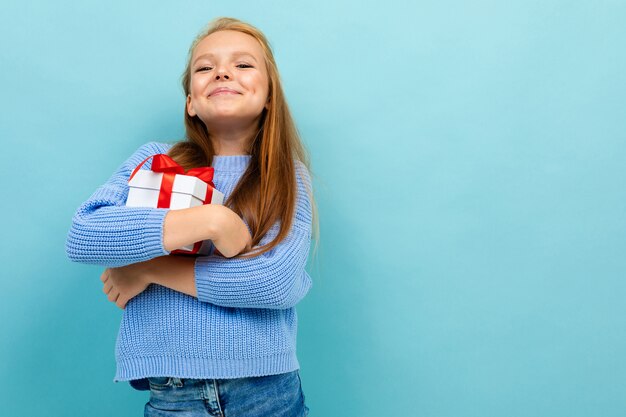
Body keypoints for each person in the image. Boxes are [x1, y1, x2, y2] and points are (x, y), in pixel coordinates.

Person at [65, 17, 314, 417]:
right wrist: (212, 221)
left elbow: (273, 283)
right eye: (204, 67)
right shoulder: (154, 161)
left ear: (269, 96)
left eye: (244, 65)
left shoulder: (287, 176)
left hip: (267, 392)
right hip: (172, 397)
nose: (222, 72)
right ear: (191, 103)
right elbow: (85, 233)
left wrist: (147, 270)